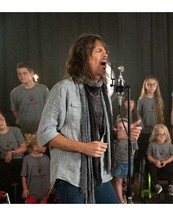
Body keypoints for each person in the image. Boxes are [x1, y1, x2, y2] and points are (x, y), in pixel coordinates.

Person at [37, 34, 142, 204]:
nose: (105, 55)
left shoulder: (103, 93)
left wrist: (119, 135)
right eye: (99, 50)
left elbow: (98, 129)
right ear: (84, 56)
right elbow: (44, 133)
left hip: (99, 173)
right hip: (70, 175)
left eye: (106, 51)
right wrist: (83, 147)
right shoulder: (63, 88)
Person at [10, 61, 49, 135]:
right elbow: (15, 111)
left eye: (25, 73)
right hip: (25, 131)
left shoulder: (43, 89)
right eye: (19, 74)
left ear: (31, 73)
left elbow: (49, 108)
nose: (22, 76)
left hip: (43, 129)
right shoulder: (14, 93)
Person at [0, 111, 27, 203]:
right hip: (5, 161)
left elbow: (24, 147)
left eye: (2, 118)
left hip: (19, 160)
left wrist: (12, 152)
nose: (1, 121)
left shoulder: (15, 130)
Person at [136, 76, 164, 165]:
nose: (151, 86)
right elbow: (138, 115)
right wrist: (141, 127)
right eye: (149, 84)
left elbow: (161, 115)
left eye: (153, 84)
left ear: (156, 86)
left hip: (155, 131)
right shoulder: (142, 100)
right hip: (145, 131)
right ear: (145, 86)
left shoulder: (159, 100)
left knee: (154, 151)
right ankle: (143, 169)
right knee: (144, 150)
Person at [112, 118, 138, 204]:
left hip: (129, 163)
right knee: (118, 181)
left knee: (127, 182)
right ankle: (121, 200)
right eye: (120, 128)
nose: (122, 130)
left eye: (125, 128)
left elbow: (134, 149)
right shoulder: (115, 140)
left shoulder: (132, 139)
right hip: (119, 163)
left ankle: (128, 198)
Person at [146, 124, 173, 196]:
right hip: (155, 163)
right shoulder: (152, 145)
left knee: (171, 167)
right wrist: (154, 161)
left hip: (165, 163)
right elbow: (149, 156)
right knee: (150, 167)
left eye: (164, 134)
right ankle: (156, 185)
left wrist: (166, 161)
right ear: (155, 135)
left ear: (167, 135)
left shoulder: (169, 145)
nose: (162, 136)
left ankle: (170, 185)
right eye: (159, 134)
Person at [21, 133, 50, 204]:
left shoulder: (47, 158)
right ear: (35, 147)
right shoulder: (27, 159)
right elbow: (24, 176)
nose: (45, 146)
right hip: (31, 190)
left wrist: (50, 186)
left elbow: (50, 174)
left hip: (44, 190)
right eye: (43, 144)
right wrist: (25, 189)